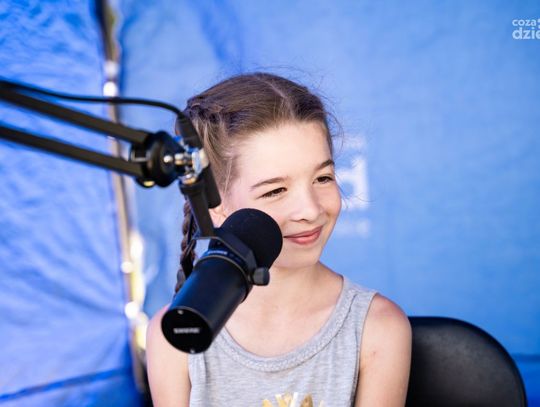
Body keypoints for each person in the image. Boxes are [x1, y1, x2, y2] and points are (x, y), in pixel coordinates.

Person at [146, 72, 411, 406]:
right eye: (275, 190)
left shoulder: (377, 328)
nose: (310, 210)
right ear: (215, 206)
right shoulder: (175, 337)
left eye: (323, 178)